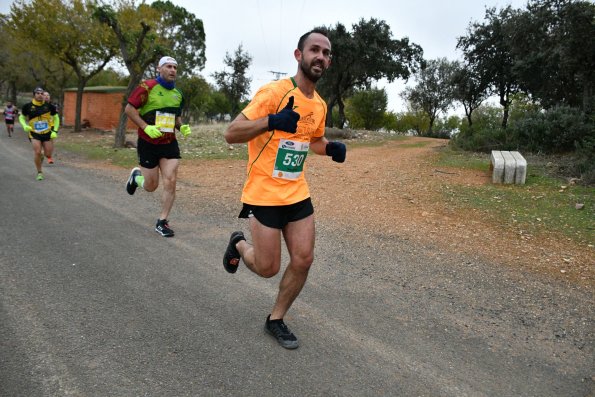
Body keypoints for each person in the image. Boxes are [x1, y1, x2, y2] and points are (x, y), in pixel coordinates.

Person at [222, 29, 346, 349]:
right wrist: (271, 121)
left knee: (303, 259)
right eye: (314, 50)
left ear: (328, 62)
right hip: (263, 192)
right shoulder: (273, 92)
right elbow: (232, 133)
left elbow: (312, 140)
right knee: (267, 268)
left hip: (296, 191)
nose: (320, 56)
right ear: (298, 55)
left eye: (326, 53)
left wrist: (330, 148)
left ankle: (275, 319)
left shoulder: (318, 105)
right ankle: (238, 245)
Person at [124, 56, 192, 237]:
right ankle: (135, 178)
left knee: (170, 180)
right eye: (169, 66)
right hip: (148, 143)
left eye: (175, 67)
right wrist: (145, 127)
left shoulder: (178, 94)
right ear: (159, 69)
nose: (173, 70)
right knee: (151, 186)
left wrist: (181, 126)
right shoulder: (147, 87)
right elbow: (129, 109)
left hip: (169, 143)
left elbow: (176, 118)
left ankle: (162, 221)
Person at [19, 87, 59, 180]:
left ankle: (43, 156)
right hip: (34, 133)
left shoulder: (49, 106)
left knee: (48, 154)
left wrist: (55, 131)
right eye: (38, 93)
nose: (40, 95)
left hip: (47, 133)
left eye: (42, 93)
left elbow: (56, 118)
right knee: (37, 152)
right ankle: (39, 172)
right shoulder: (27, 106)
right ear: (34, 95)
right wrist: (24, 126)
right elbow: (21, 117)